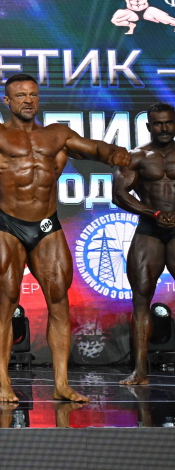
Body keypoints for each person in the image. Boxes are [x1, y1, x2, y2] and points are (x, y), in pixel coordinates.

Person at [0, 72, 129, 403]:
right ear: (7, 101)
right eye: (21, 95)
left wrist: (114, 152)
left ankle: (61, 383)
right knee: (6, 302)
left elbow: (94, 148)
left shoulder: (57, 135)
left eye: (33, 94)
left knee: (59, 302)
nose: (28, 100)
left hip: (46, 227)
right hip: (9, 226)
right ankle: (4, 383)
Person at [112, 102, 175, 385]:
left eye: (169, 122)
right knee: (140, 299)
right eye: (158, 123)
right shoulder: (136, 157)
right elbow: (119, 194)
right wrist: (153, 213)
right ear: (149, 126)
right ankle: (139, 370)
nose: (164, 128)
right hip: (149, 231)